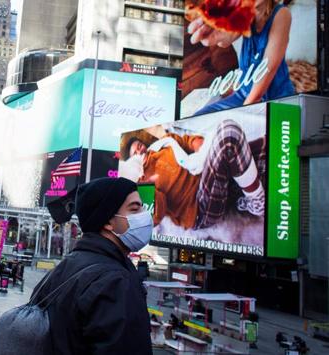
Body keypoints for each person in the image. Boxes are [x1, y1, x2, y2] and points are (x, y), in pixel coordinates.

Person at [41, 177, 153, 354]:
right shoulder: (116, 282)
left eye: (143, 208)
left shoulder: (63, 268)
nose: (145, 216)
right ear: (108, 222)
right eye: (134, 209)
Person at [120, 119, 265, 231]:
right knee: (229, 133)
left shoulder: (164, 144)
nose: (140, 151)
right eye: (135, 154)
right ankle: (257, 202)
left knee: (265, 147)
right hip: (199, 209)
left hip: (209, 176)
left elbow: (189, 141)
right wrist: (141, 185)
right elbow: (157, 215)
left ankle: (239, 195)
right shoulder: (141, 185)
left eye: (139, 146)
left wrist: (201, 150)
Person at [188, 0, 294, 115]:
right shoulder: (246, 15)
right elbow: (224, 42)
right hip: (243, 93)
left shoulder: (282, 14)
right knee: (200, 116)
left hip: (276, 98)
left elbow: (268, 69)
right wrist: (219, 27)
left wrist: (243, 111)